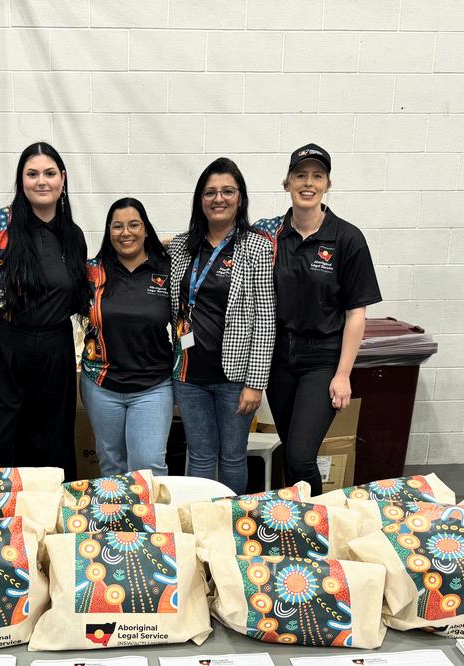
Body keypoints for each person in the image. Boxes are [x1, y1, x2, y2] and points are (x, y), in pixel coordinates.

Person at [0, 141, 89, 478]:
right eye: (32, 174)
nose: (41, 181)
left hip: (53, 356)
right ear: (21, 180)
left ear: (63, 178)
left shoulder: (73, 235)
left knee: (50, 451)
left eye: (49, 173)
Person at [254, 144, 382, 496]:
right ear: (287, 183)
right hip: (279, 359)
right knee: (291, 452)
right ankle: (293, 515)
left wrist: (343, 374)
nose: (308, 183)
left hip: (322, 359)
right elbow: (222, 243)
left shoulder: (347, 238)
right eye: (300, 175)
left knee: (301, 455)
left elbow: (356, 314)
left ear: (327, 184)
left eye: (317, 176)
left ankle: (315, 518)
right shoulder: (269, 236)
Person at [168, 157, 275, 495]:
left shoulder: (256, 247)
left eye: (227, 191)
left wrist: (255, 383)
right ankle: (200, 519)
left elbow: (266, 319)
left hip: (235, 378)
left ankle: (231, 521)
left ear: (240, 198)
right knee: (199, 456)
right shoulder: (182, 247)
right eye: (210, 192)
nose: (219, 198)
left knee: (232, 457)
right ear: (200, 199)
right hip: (188, 375)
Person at [80, 198, 173, 476]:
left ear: (146, 229)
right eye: (118, 226)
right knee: (112, 465)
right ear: (109, 231)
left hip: (153, 386)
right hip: (101, 385)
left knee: (149, 468)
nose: (126, 232)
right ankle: (115, 509)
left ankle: (149, 509)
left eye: (134, 225)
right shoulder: (92, 271)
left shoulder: (167, 269)